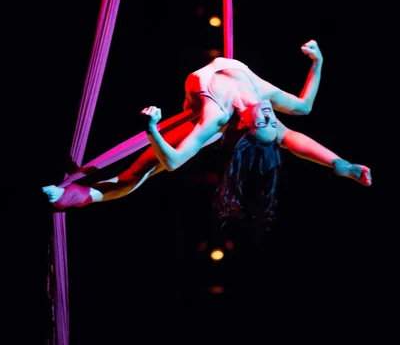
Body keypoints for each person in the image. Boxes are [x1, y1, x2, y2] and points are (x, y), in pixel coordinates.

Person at [42, 40, 372, 226]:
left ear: (245, 125)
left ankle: (75, 197)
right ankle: (340, 164)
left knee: (136, 174)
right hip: (216, 105)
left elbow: (172, 162)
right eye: (273, 123)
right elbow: (303, 108)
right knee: (287, 133)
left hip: (191, 120)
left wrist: (152, 130)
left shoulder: (216, 118)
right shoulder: (264, 97)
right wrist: (318, 61)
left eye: (264, 123)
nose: (271, 118)